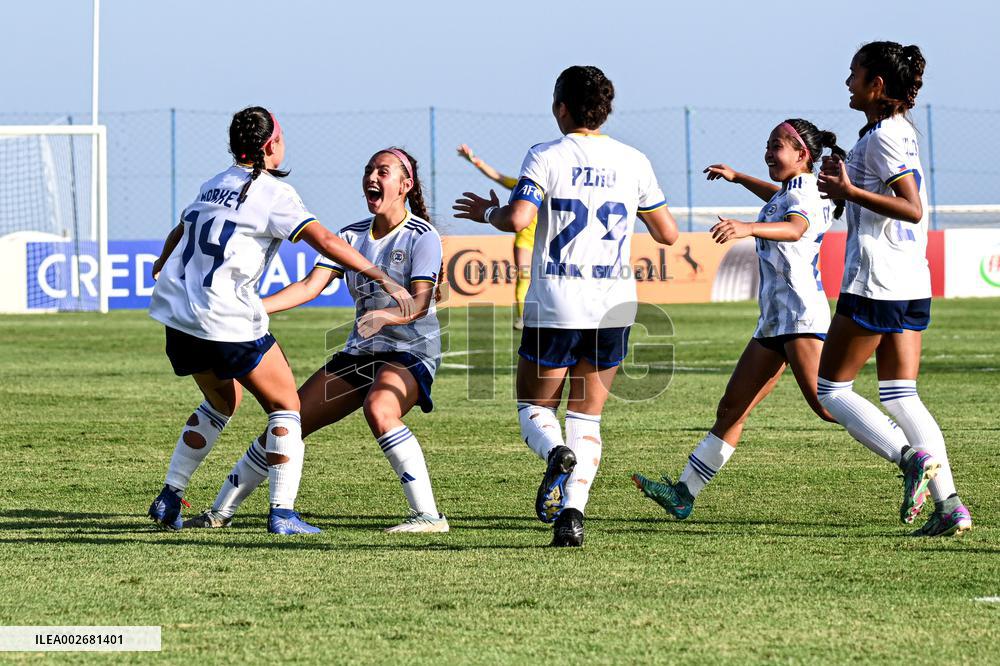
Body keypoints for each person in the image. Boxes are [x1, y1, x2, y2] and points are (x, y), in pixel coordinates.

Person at [146, 107, 414, 535]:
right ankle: (283, 513)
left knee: (221, 402)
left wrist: (162, 261)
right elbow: (323, 240)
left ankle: (170, 496)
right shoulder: (273, 193)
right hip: (225, 316)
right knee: (287, 407)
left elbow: (181, 230)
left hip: (177, 316)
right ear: (270, 145)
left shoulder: (214, 183)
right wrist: (378, 273)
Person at [454, 65, 679, 547]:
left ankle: (555, 452)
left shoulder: (546, 155)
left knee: (534, 406)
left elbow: (516, 218)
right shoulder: (634, 160)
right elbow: (668, 233)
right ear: (605, 109)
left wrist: (486, 212)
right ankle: (572, 515)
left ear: (560, 107)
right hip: (615, 305)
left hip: (556, 302)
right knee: (587, 417)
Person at [184, 147, 448, 533]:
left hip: (410, 353)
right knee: (289, 420)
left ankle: (428, 517)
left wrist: (386, 316)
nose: (372, 177)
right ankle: (220, 512)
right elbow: (310, 286)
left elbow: (421, 302)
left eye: (383, 171)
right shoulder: (350, 236)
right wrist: (252, 307)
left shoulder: (422, 236)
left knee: (380, 409)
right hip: (361, 352)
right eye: (368, 169)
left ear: (405, 185)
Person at [632, 119, 843, 517]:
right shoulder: (792, 191)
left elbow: (795, 228)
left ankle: (910, 454)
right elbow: (780, 201)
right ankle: (684, 493)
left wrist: (747, 227)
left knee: (828, 406)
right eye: (767, 144)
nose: (768, 151)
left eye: (776, 145)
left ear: (802, 155)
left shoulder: (807, 197)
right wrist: (738, 177)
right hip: (775, 320)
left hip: (800, 316)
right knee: (732, 408)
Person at [816, 41, 971, 536]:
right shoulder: (898, 131)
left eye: (854, 73)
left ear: (876, 86)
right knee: (901, 393)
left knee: (831, 388)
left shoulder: (883, 136)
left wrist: (848, 191)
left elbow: (910, 206)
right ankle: (950, 506)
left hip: (876, 280)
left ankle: (908, 458)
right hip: (910, 278)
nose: (847, 82)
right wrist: (848, 186)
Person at [456, 144, 537, 329]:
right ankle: (523, 318)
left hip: (544, 241)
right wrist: (473, 159)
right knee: (524, 276)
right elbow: (496, 176)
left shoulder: (552, 188)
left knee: (544, 278)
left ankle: (545, 316)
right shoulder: (523, 186)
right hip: (524, 241)